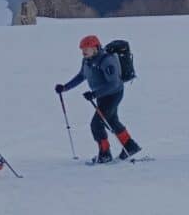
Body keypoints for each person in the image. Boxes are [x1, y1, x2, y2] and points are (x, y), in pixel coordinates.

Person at [55, 35, 141, 164]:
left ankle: (105, 154)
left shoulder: (106, 61)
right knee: (111, 120)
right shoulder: (86, 61)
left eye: (86, 48)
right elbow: (81, 76)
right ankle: (130, 146)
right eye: (82, 49)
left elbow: (114, 84)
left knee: (96, 124)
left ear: (95, 48)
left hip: (113, 95)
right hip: (101, 95)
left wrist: (94, 94)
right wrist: (65, 87)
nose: (83, 52)